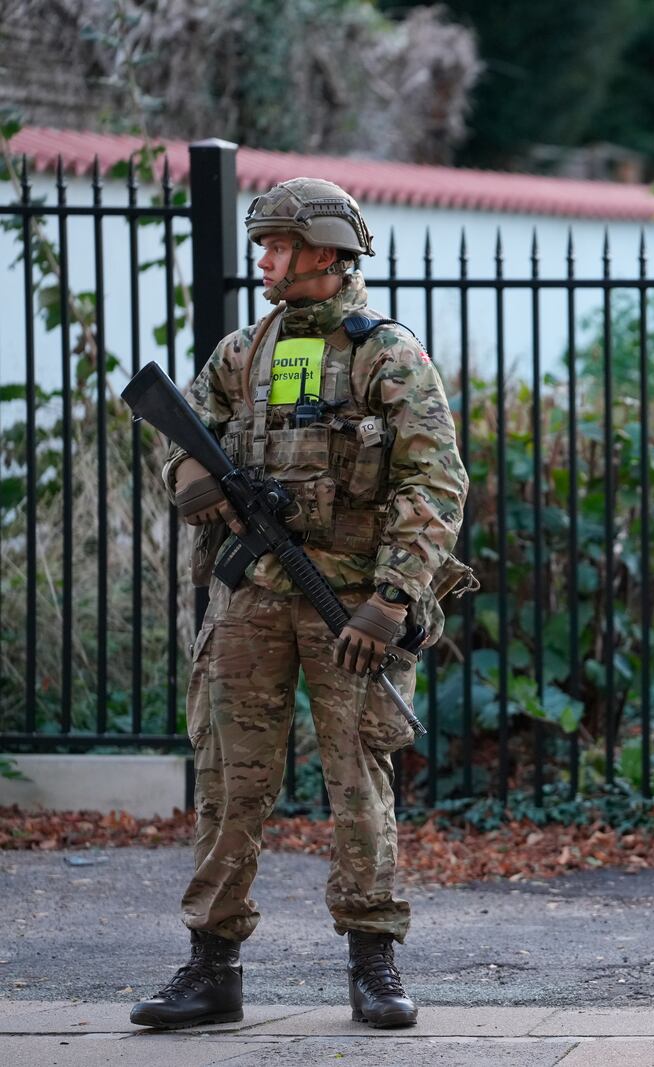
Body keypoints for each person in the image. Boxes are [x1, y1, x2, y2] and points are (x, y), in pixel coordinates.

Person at [130, 178, 470, 1030]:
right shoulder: (244, 352)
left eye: (278, 244)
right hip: (251, 597)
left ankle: (373, 960)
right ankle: (212, 966)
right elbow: (178, 442)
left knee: (358, 776)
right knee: (228, 779)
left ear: (325, 250)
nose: (264, 258)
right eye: (265, 243)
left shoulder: (385, 354)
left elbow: (434, 481)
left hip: (350, 603)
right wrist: (192, 477)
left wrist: (393, 600)